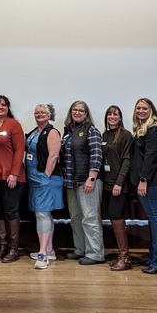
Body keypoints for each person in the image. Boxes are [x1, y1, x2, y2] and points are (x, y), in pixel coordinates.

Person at [130, 98, 157, 274]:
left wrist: (143, 180)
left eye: (144, 108)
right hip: (145, 181)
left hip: (150, 182)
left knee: (156, 221)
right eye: (138, 108)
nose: (141, 111)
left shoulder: (153, 130)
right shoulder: (141, 129)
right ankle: (155, 257)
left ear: (151, 110)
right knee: (153, 221)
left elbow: (151, 157)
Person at [0, 95, 27, 263]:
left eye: (4, 105)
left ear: (8, 108)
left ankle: (13, 249)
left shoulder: (13, 125)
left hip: (11, 177)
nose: (0, 107)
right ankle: (2, 247)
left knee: (11, 212)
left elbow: (19, 150)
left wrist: (14, 173)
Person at [62, 101, 104, 265]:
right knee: (76, 217)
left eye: (81, 110)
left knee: (90, 217)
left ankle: (95, 253)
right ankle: (81, 249)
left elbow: (96, 154)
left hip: (87, 182)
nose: (77, 112)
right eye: (74, 109)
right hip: (71, 182)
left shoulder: (91, 130)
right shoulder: (69, 132)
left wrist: (91, 178)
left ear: (86, 114)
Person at [25, 104, 64, 269]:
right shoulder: (35, 131)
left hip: (46, 179)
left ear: (50, 115)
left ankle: (42, 254)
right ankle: (49, 250)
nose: (39, 115)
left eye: (43, 112)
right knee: (42, 214)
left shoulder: (52, 132)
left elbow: (53, 156)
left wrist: (45, 176)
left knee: (42, 214)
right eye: (37, 112)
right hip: (34, 179)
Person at [101, 105, 133, 271]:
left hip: (118, 185)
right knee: (113, 217)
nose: (112, 117)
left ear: (120, 118)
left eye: (115, 114)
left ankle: (125, 257)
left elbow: (127, 160)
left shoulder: (126, 135)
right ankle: (121, 255)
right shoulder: (105, 135)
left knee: (116, 215)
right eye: (109, 114)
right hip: (106, 183)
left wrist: (119, 183)